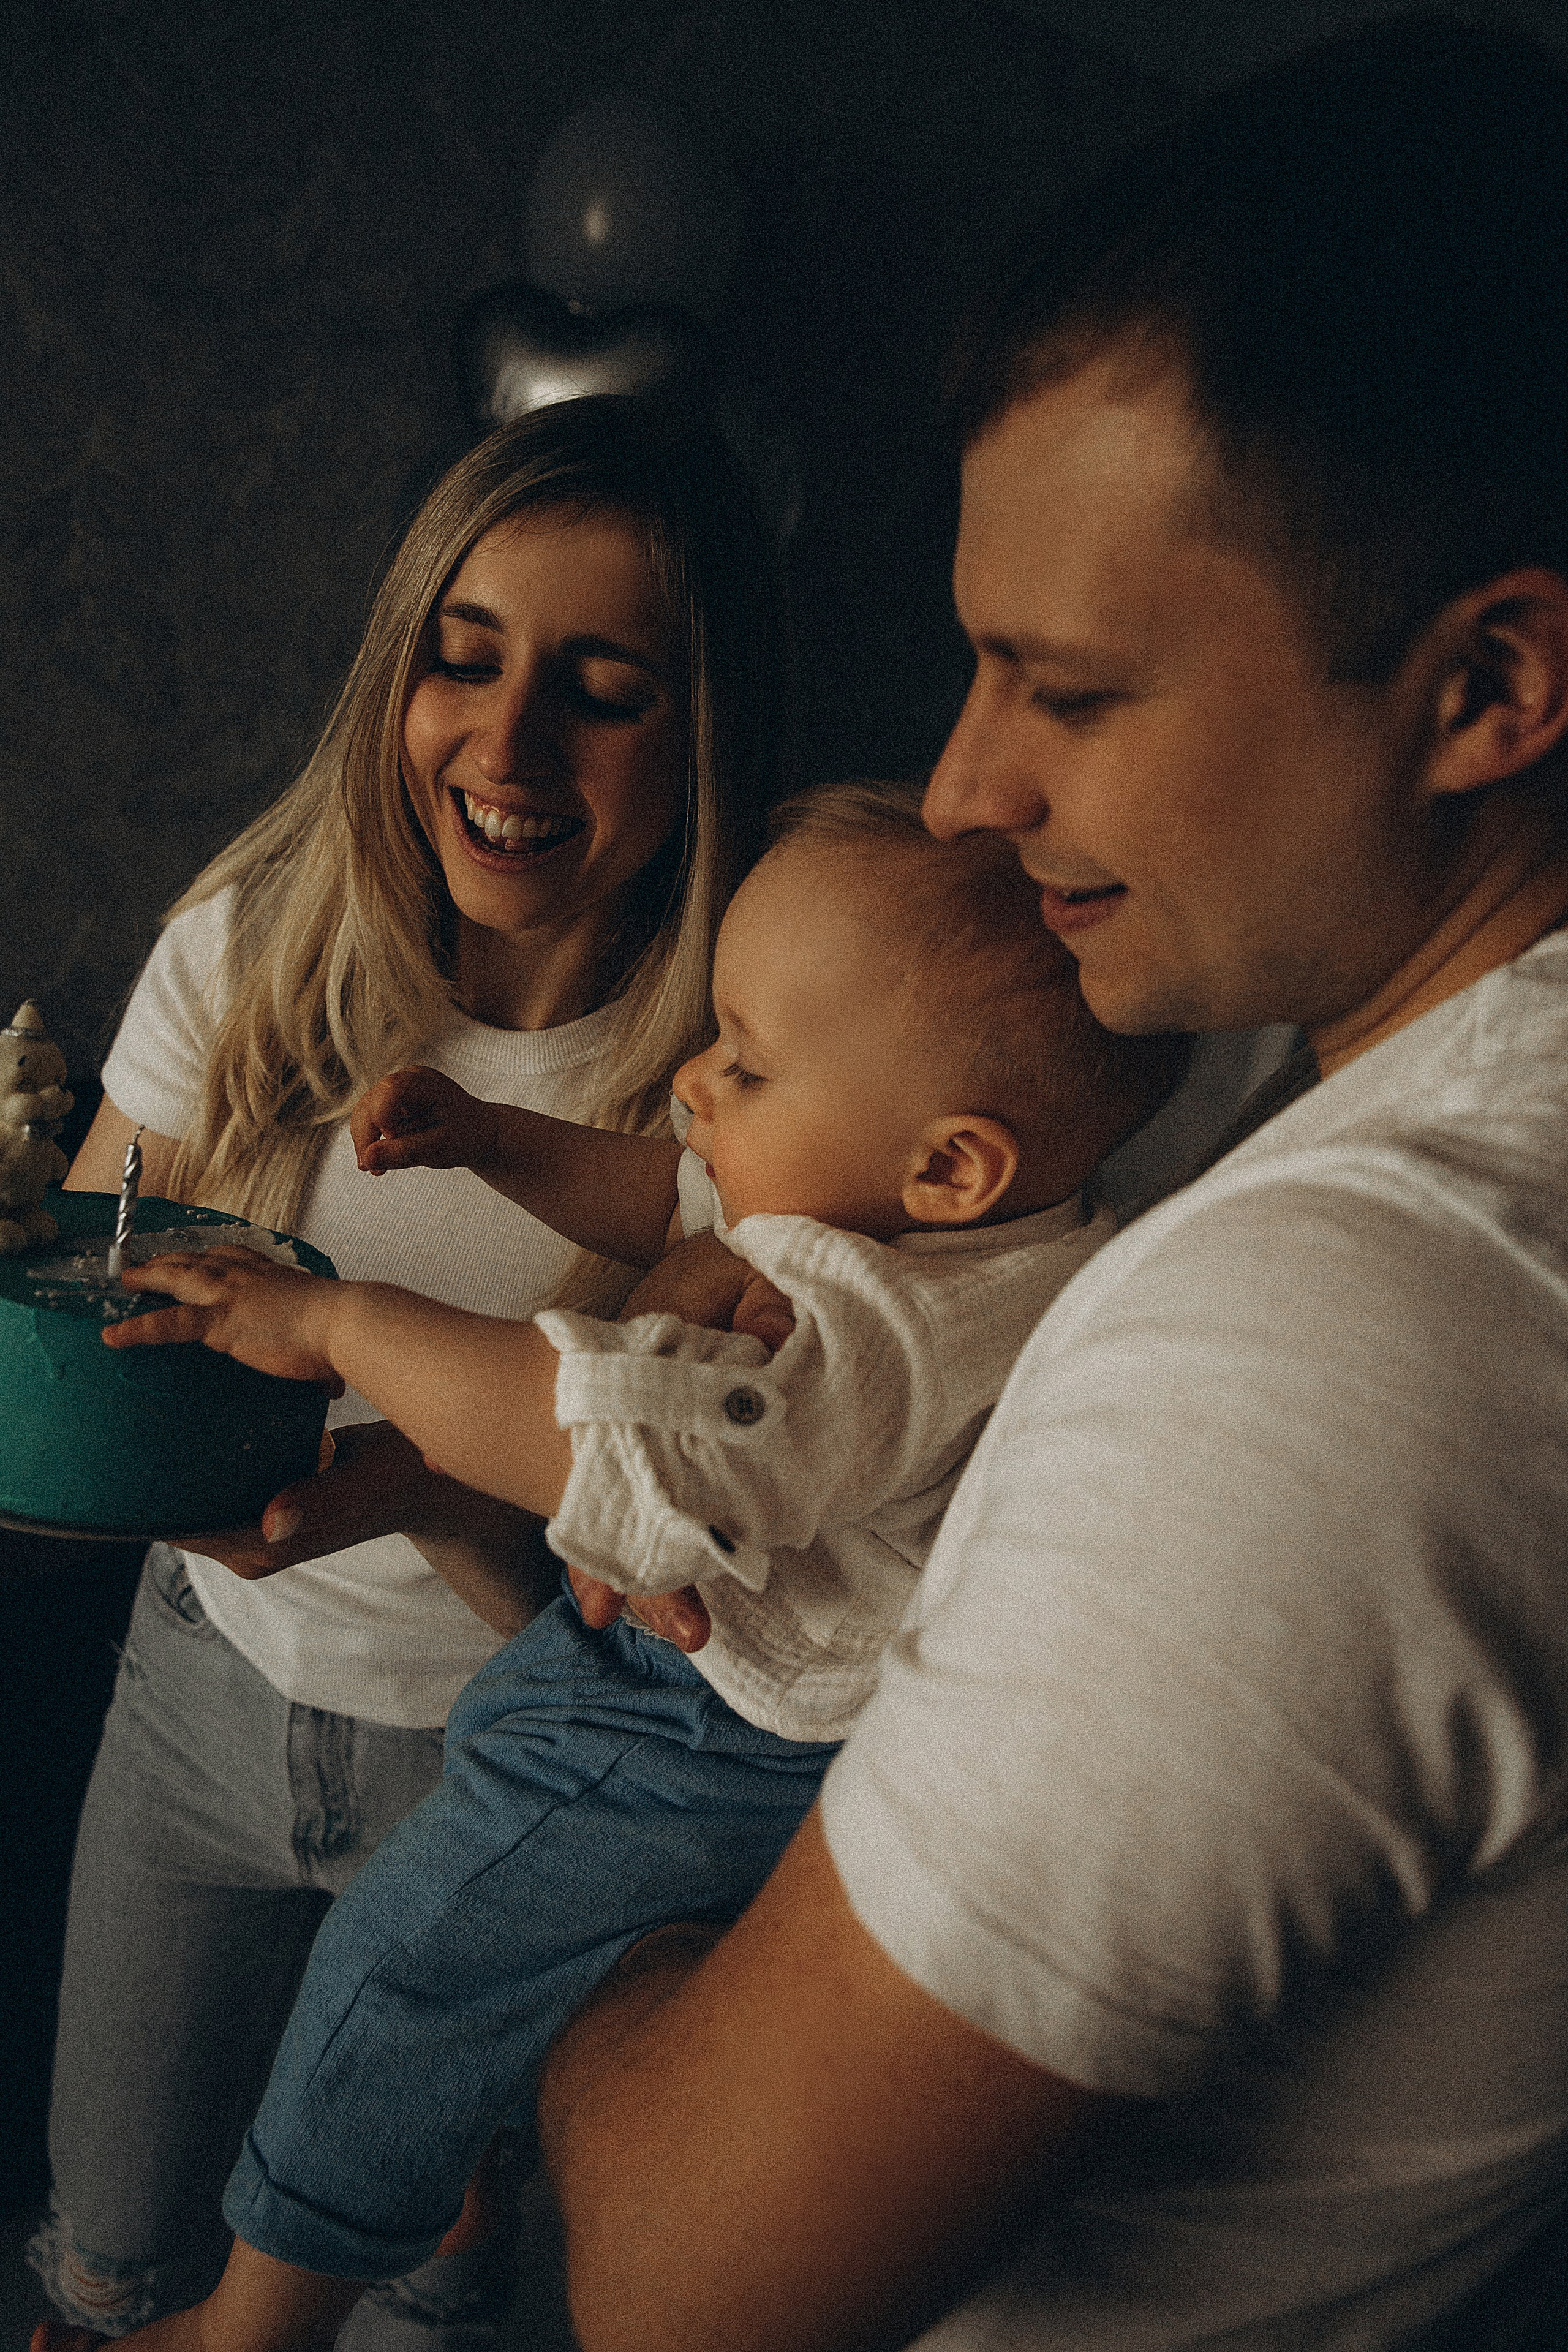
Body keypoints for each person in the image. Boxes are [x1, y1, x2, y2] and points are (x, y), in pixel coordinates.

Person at [513, 20, 1568, 2352]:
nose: (969, 789)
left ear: (1488, 684)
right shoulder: (1361, 1143)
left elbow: (690, 2283)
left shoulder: (1344, 1326)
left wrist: (606, 1992)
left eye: (1063, 689)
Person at [80, 781, 1187, 2351]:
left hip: (708, 1735)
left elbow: (608, 1453)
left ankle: (251, 2321)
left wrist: (338, 1326)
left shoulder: (855, 1320)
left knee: (405, 1961)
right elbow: (676, 1191)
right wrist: (496, 1142)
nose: (694, 1081)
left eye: (744, 1060)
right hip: (680, 1698)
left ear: (948, 1166)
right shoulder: (979, 1228)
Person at [29, 393, 785, 2348]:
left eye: (604, 689)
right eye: (463, 659)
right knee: (111, 2259)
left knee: (414, 2306)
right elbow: (83, 1305)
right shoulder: (252, 950)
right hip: (192, 1686)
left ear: (707, 730)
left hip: (505, 1761)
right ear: (395, 677)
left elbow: (677, 1628)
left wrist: (439, 1492)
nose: (507, 745)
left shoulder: (743, 1098)